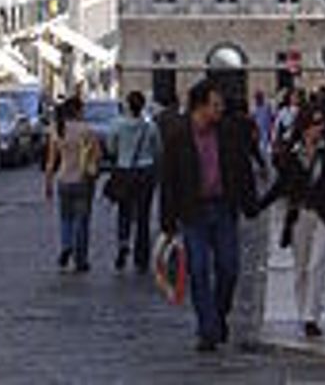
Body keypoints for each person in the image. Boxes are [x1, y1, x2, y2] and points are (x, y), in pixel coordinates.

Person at [160, 77, 258, 352]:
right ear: (200, 106)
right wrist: (167, 221)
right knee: (199, 270)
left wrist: (250, 204)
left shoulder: (228, 131)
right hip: (194, 212)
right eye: (215, 105)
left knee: (229, 267)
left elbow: (242, 169)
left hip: (224, 208)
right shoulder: (178, 136)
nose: (220, 109)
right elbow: (169, 181)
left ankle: (218, 313)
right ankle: (208, 329)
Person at [260, 104, 325, 338]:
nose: (320, 128)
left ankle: (311, 317)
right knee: (301, 267)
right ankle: (304, 311)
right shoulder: (291, 153)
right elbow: (280, 185)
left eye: (321, 123)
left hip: (324, 215)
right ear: (305, 127)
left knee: (317, 264)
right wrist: (258, 205)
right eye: (315, 123)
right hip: (299, 214)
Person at [108, 90, 162, 274]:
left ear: (127, 105)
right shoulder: (150, 126)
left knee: (124, 211)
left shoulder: (117, 125)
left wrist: (122, 155)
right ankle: (141, 258)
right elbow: (158, 150)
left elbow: (111, 147)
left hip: (125, 171)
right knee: (143, 216)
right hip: (145, 172)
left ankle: (123, 244)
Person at [44, 96, 100, 273]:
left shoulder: (57, 129)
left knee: (65, 218)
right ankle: (80, 258)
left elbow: (51, 161)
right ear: (77, 110)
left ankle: (66, 245)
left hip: (63, 178)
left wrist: (48, 184)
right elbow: (97, 155)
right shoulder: (86, 130)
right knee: (81, 221)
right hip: (82, 179)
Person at [251, 90, 273, 154]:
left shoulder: (267, 107)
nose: (258, 99)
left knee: (266, 149)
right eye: (257, 98)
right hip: (258, 131)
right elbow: (252, 120)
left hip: (266, 130)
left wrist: (271, 128)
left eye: (260, 97)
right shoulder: (254, 108)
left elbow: (271, 118)